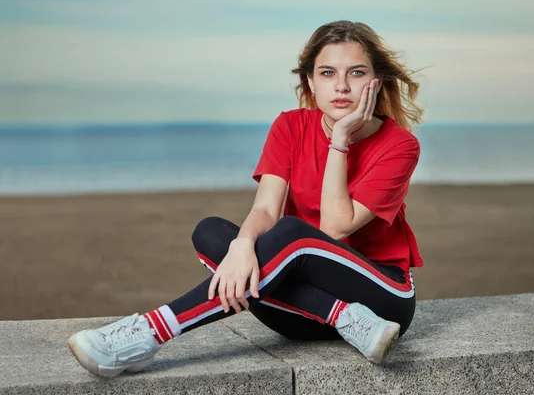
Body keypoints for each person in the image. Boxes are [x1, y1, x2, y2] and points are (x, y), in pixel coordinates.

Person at [68, 20, 426, 378]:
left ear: (375, 82)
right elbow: (266, 209)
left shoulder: (400, 146)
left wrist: (341, 138)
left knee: (291, 233)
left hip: (383, 300)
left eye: (357, 72)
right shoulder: (289, 126)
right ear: (311, 82)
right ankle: (342, 316)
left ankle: (148, 333)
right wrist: (242, 244)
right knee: (212, 234)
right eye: (328, 72)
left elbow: (334, 227)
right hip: (302, 315)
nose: (342, 85)